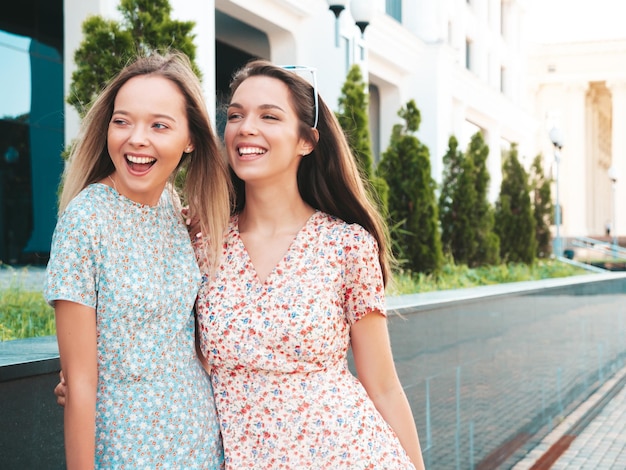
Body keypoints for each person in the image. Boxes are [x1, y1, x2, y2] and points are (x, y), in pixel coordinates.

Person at [194, 59, 425, 469]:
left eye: (269, 116)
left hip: (350, 454)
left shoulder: (347, 245)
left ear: (307, 141)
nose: (246, 127)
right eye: (235, 115)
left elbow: (384, 385)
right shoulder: (202, 242)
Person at [45, 51, 230, 469]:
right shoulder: (85, 221)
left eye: (159, 125)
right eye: (122, 120)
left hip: (201, 441)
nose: (136, 138)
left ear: (190, 139)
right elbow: (78, 382)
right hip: (126, 449)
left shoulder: (171, 204)